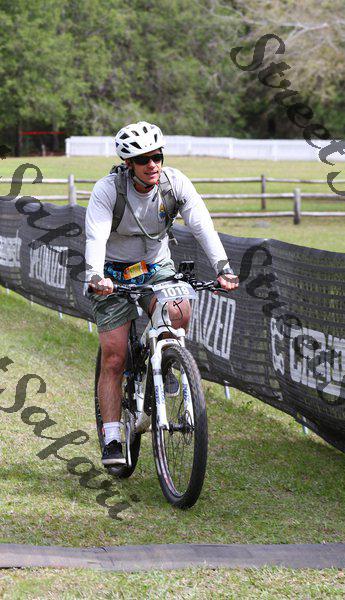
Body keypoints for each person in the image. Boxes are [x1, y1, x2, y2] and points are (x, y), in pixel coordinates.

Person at [85, 121, 238, 465]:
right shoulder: (108, 190)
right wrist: (95, 275)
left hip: (156, 266)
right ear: (129, 164)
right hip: (112, 272)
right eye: (143, 159)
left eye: (157, 156)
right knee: (114, 357)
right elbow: (95, 236)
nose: (152, 164)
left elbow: (202, 225)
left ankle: (166, 363)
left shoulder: (174, 183)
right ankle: (112, 437)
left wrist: (223, 267)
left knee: (179, 311)